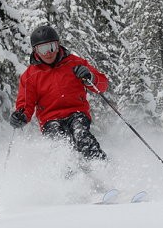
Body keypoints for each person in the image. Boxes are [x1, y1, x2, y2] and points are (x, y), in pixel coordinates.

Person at [9, 24, 108, 161]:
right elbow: (26, 104)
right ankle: (68, 176)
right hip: (50, 119)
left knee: (81, 135)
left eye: (52, 47)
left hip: (76, 113)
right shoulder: (30, 76)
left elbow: (102, 86)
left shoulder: (74, 63)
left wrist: (90, 77)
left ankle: (101, 166)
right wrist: (21, 117)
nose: (48, 53)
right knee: (59, 144)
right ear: (35, 51)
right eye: (43, 49)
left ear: (58, 45)